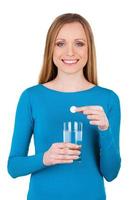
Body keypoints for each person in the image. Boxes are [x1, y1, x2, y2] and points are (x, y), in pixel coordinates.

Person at [7, 13, 121, 200]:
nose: (70, 52)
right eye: (60, 43)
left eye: (79, 43)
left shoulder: (108, 99)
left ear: (89, 49)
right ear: (50, 49)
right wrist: (45, 158)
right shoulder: (31, 97)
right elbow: (13, 167)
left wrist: (104, 129)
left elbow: (111, 173)